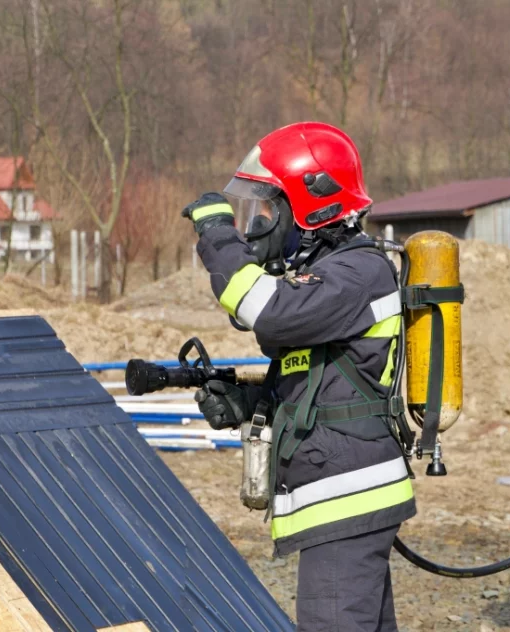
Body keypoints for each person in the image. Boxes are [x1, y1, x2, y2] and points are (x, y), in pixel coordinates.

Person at [182, 121, 415, 632]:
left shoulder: (357, 272)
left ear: (312, 209)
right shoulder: (330, 276)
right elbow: (323, 376)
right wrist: (251, 402)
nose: (259, 224)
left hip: (347, 495)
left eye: (270, 209)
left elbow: (267, 311)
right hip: (343, 494)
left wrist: (218, 234)